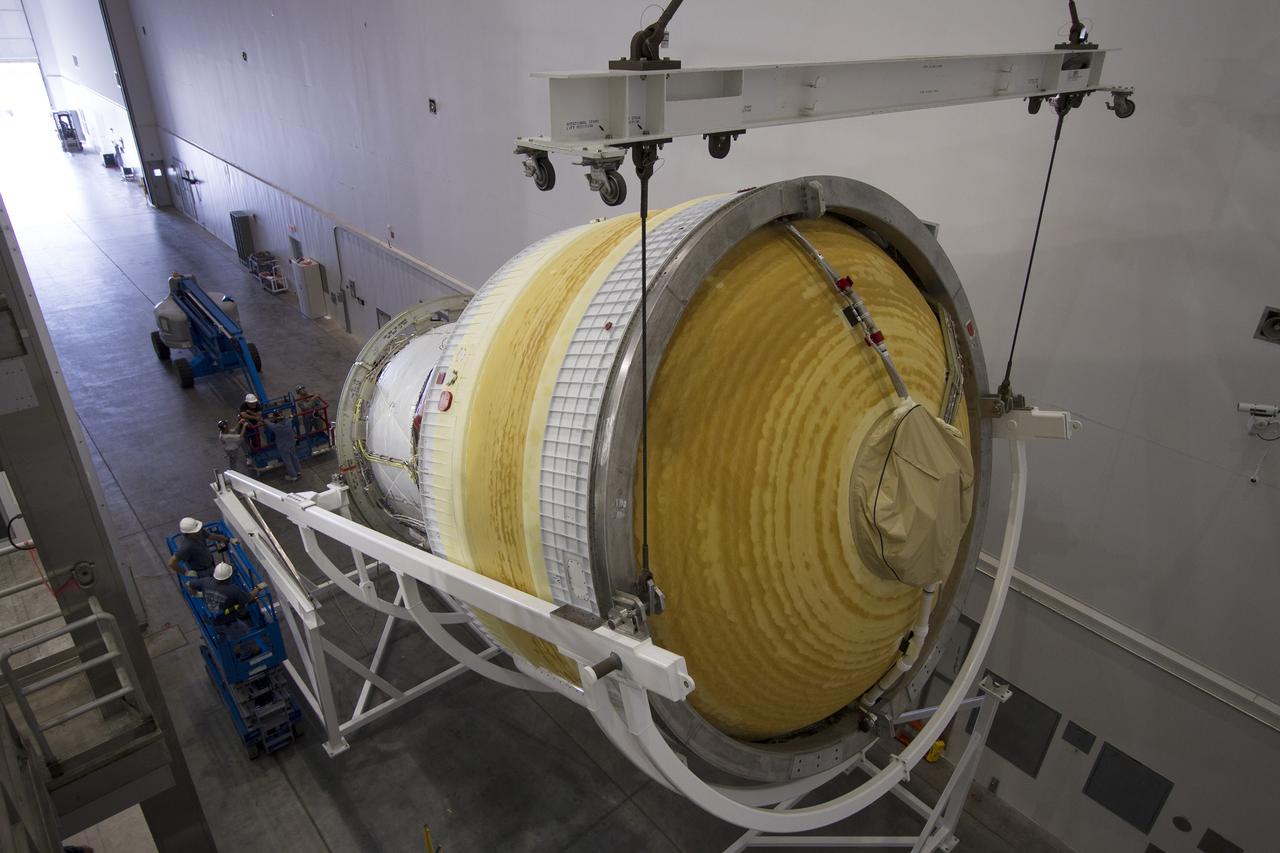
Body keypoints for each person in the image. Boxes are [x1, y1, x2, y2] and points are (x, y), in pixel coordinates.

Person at [187, 562, 256, 641]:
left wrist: (197, 594)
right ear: (228, 577)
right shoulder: (232, 589)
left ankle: (222, 641)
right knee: (244, 633)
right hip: (227, 622)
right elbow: (248, 598)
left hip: (210, 619)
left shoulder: (205, 581)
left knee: (220, 637)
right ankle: (244, 650)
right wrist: (258, 588)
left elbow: (190, 585)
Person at [266, 410, 301, 481]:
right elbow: (290, 416)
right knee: (294, 457)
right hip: (291, 443)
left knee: (287, 461)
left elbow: (266, 422)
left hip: (283, 446)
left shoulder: (276, 427)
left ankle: (293, 476)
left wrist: (269, 419)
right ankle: (298, 471)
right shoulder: (288, 422)